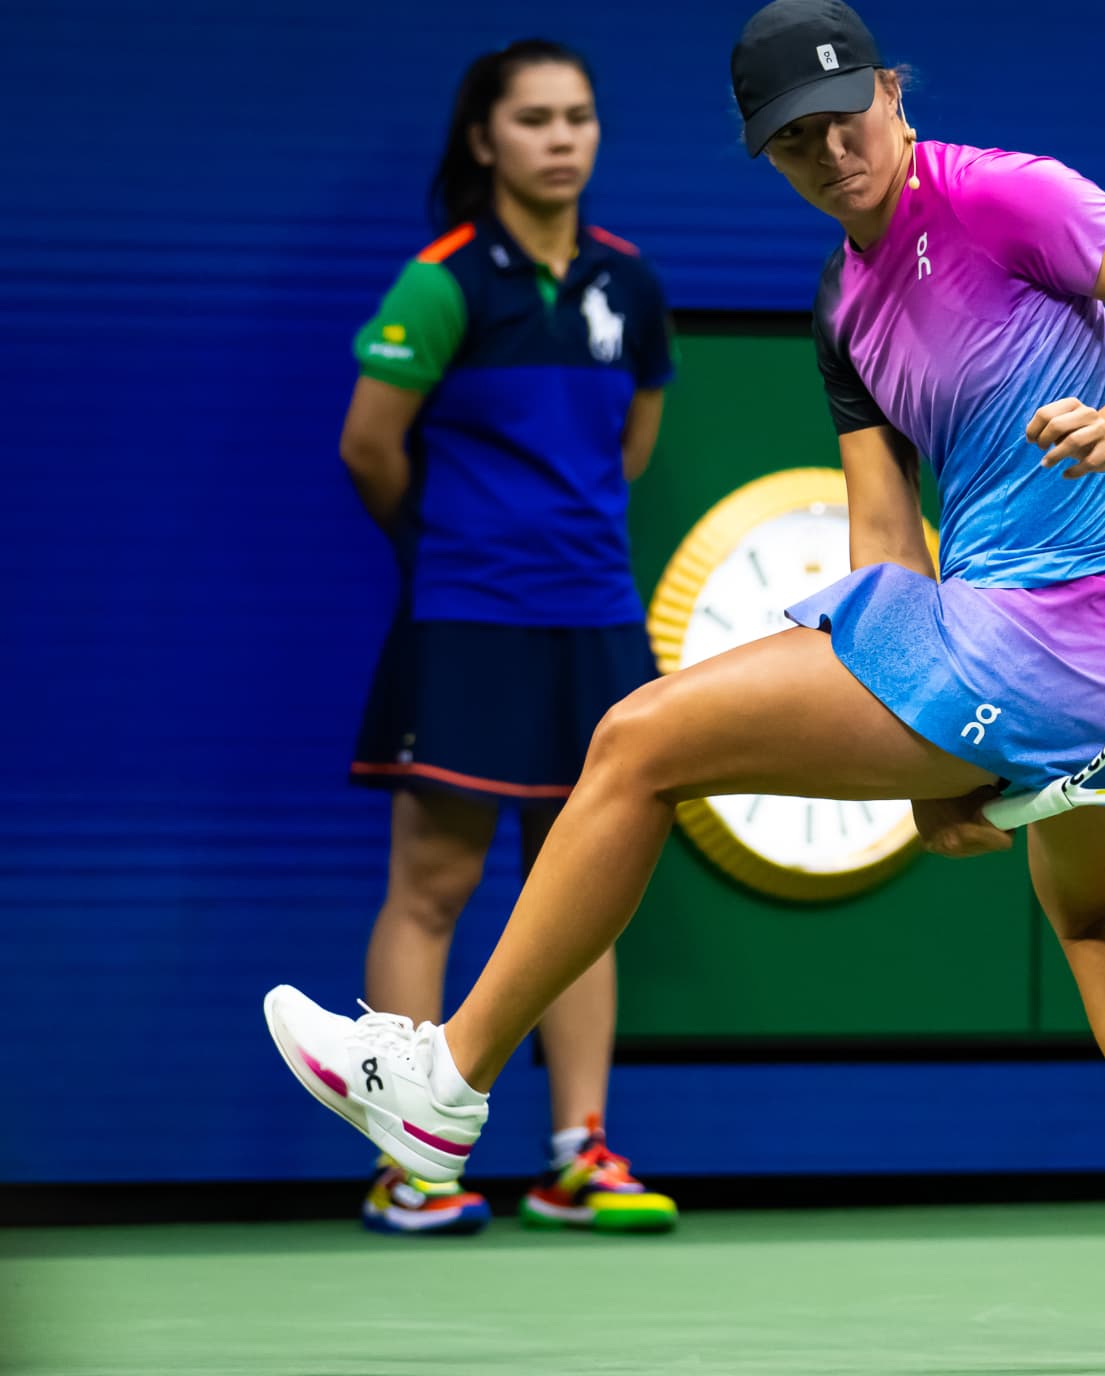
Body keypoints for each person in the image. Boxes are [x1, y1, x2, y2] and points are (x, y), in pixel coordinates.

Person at [270, 0, 1105, 1358]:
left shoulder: (1004, 196)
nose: (829, 153)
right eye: (792, 143)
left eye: (843, 119)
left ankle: (443, 1085)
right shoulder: (843, 311)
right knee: (1100, 922)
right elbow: (881, 539)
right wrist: (925, 756)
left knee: (635, 744)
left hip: (1077, 634)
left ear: (893, 94)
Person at [333, 38, 676, 1235]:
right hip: (467, 615)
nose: (562, 138)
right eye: (534, 119)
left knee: (580, 883)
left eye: (579, 116)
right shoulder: (439, 282)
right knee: (431, 886)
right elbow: (371, 448)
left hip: (596, 615)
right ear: (485, 139)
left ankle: (578, 1152)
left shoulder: (628, 284)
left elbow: (632, 441)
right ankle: (409, 1159)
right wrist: (455, 550)